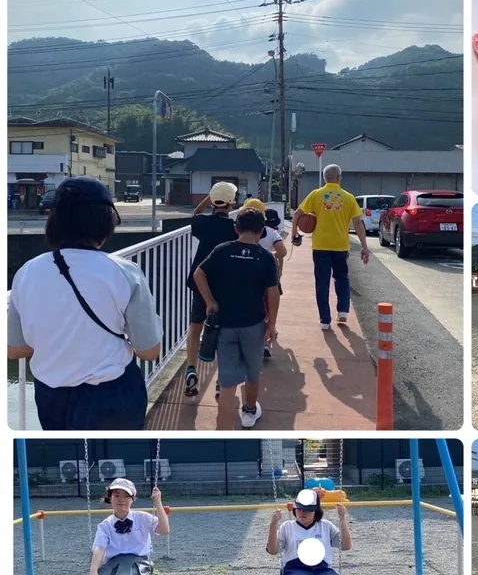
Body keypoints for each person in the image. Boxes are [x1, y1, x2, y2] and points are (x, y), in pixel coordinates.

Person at [7, 176, 162, 430]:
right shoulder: (124, 272)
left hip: (51, 397)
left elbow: (15, 349)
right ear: (106, 224)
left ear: (55, 222)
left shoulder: (26, 273)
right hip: (113, 396)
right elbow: (149, 351)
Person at [193, 208, 280, 429]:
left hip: (225, 325)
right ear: (262, 232)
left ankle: (223, 428)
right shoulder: (266, 258)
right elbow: (272, 293)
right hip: (254, 324)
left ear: (236, 229)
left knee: (227, 380)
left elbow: (198, 274)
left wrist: (210, 301)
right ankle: (250, 411)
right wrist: (272, 323)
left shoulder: (222, 250)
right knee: (253, 372)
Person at [291, 164, 369, 331]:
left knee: (322, 282)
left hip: (320, 246)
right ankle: (342, 311)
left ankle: (325, 320)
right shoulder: (348, 197)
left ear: (325, 178)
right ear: (339, 177)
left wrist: (294, 235)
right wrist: (364, 246)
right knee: (342, 277)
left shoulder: (316, 194)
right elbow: (358, 223)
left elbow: (297, 214)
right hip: (340, 246)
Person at [184, 182, 239, 397]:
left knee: (195, 326)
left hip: (201, 282)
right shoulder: (235, 228)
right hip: (225, 285)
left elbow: (195, 214)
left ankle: (191, 368)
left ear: (213, 202)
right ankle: (220, 380)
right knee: (225, 332)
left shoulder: (202, 223)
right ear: (231, 203)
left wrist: (208, 198)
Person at [242, 198, 288, 358]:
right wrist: (269, 257)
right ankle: (266, 342)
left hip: (246, 277)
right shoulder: (271, 232)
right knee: (269, 308)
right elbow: (282, 252)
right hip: (268, 276)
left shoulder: (239, 233)